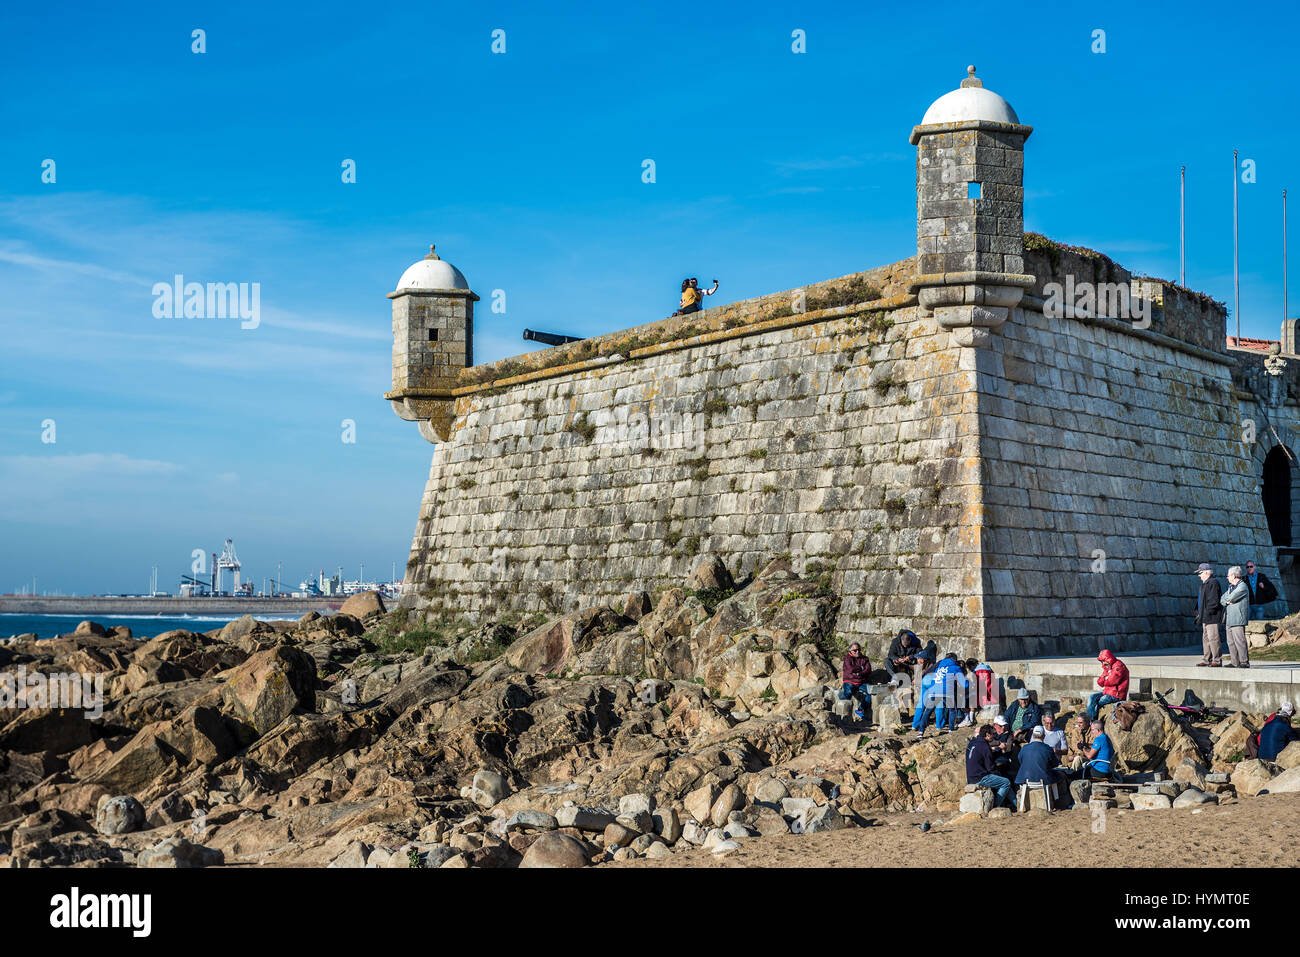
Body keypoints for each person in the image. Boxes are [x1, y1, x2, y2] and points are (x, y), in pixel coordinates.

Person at [966, 724, 1012, 808]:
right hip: (979, 777)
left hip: (971, 777)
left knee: (1002, 780)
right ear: (987, 735)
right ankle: (994, 807)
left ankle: (1016, 804)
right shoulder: (984, 746)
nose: (994, 736)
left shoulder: (973, 743)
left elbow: (988, 756)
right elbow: (990, 767)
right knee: (1006, 782)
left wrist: (999, 750)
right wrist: (999, 775)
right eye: (992, 734)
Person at [1015, 726, 1065, 801]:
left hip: (1024, 779)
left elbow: (1020, 760)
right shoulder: (1048, 748)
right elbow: (1055, 764)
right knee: (1060, 776)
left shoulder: (1024, 748)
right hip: (1043, 779)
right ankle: (1057, 801)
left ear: (1033, 736)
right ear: (1044, 736)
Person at [1194, 562, 1224, 667]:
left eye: (1200, 573)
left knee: (1213, 638)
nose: (1199, 575)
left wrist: (1207, 613)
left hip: (1212, 617)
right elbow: (1201, 600)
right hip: (1204, 617)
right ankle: (1206, 659)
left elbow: (1214, 601)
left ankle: (1217, 660)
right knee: (1206, 639)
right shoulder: (1204, 584)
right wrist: (1197, 608)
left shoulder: (1213, 583)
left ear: (1207, 573)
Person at [1221, 566, 1251, 669]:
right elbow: (1222, 599)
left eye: (1228, 575)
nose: (1227, 577)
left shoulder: (1242, 587)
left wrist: (1229, 600)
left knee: (1240, 641)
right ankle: (1234, 662)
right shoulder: (1230, 587)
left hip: (1238, 618)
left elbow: (1232, 597)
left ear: (1234, 576)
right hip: (1229, 618)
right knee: (1230, 642)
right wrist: (1228, 601)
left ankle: (1244, 662)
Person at [1087, 649, 1129, 721]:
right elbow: (1100, 682)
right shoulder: (1107, 666)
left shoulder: (1119, 666)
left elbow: (1113, 681)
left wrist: (1105, 679)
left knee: (1100, 701)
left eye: (1103, 661)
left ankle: (1093, 720)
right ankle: (1090, 720)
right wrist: (1106, 678)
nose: (1102, 663)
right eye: (1101, 661)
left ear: (1107, 659)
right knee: (1091, 697)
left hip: (1117, 695)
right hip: (1107, 692)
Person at [838, 642, 873, 723]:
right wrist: (861, 668)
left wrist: (858, 673)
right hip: (850, 681)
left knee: (872, 692)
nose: (857, 652)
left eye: (859, 650)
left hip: (861, 682)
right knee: (848, 692)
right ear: (850, 651)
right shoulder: (847, 658)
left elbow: (868, 670)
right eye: (855, 650)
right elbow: (850, 669)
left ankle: (860, 709)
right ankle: (846, 716)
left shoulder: (865, 658)